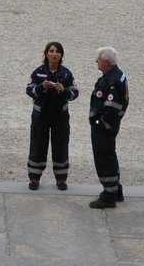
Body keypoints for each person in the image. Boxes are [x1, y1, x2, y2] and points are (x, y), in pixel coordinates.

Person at [25, 41, 78, 189]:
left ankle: (61, 179)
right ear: (46, 54)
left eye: (57, 52)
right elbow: (29, 90)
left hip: (60, 117)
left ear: (62, 55)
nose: (54, 54)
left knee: (61, 145)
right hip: (40, 116)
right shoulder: (38, 72)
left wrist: (64, 90)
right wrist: (42, 86)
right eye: (51, 51)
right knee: (37, 144)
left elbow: (74, 93)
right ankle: (34, 178)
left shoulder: (66, 74)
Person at [88, 46, 130, 209]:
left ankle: (108, 195)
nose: (96, 61)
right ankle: (116, 190)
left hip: (104, 128)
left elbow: (112, 107)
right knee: (110, 156)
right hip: (109, 127)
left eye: (98, 59)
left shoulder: (111, 81)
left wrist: (100, 124)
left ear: (106, 62)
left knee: (104, 159)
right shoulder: (116, 76)